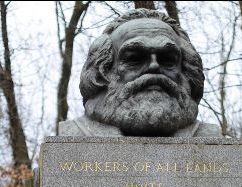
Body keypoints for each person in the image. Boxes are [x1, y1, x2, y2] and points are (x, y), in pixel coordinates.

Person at [58, 8, 220, 138]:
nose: (154, 66)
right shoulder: (75, 133)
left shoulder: (208, 137)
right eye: (134, 58)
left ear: (186, 71)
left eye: (167, 60)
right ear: (103, 72)